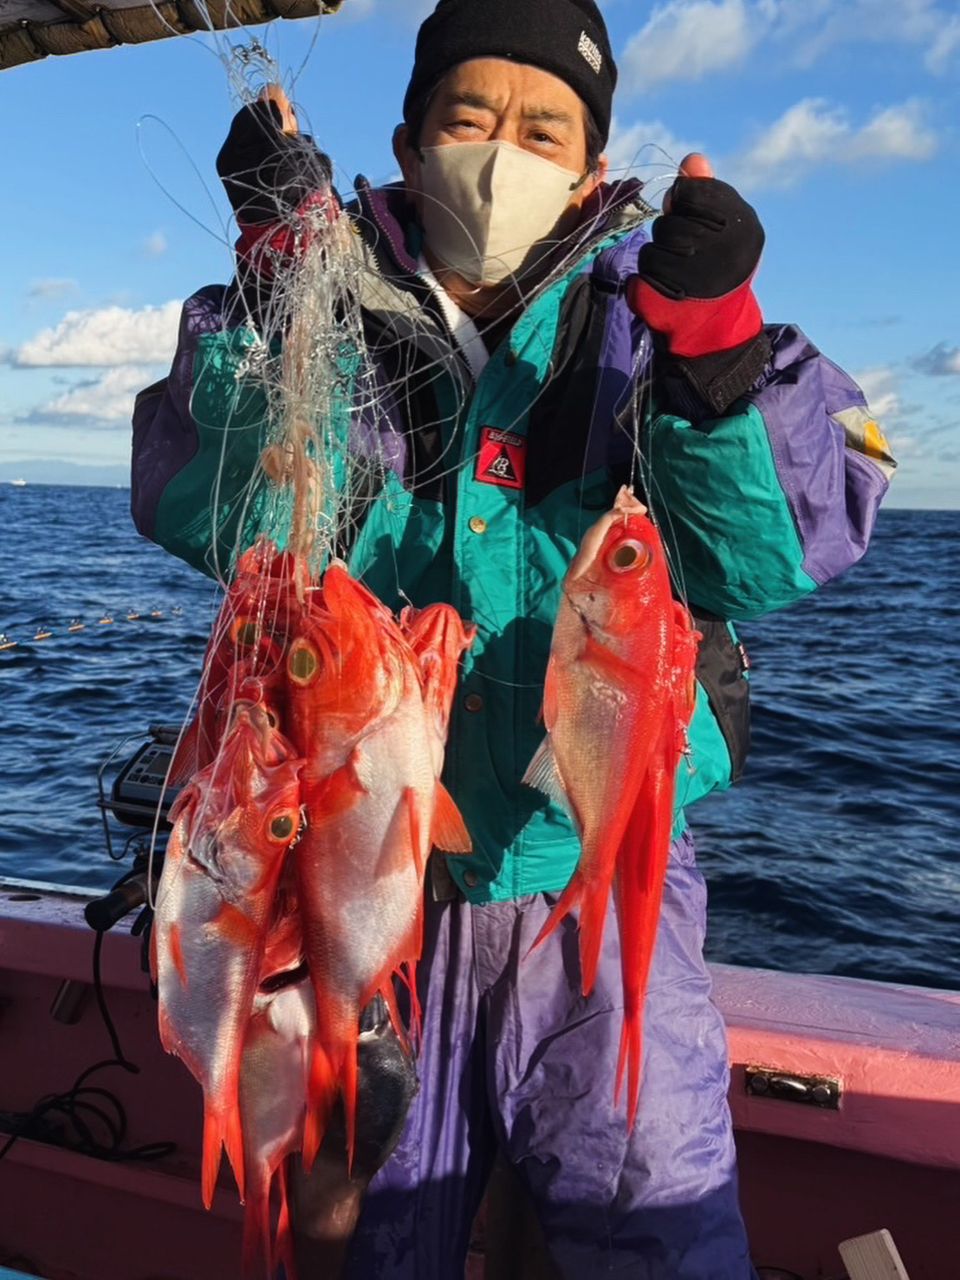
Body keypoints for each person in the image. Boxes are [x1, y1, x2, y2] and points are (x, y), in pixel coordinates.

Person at [131, 1, 897, 1275]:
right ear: (411, 136)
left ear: (594, 166)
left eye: (545, 127)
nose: (502, 151)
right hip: (373, 873)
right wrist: (273, 285)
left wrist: (718, 353)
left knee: (658, 1211)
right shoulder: (328, 302)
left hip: (589, 866)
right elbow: (209, 509)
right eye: (468, 116)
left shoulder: (650, 321)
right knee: (365, 1231)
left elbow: (788, 548)